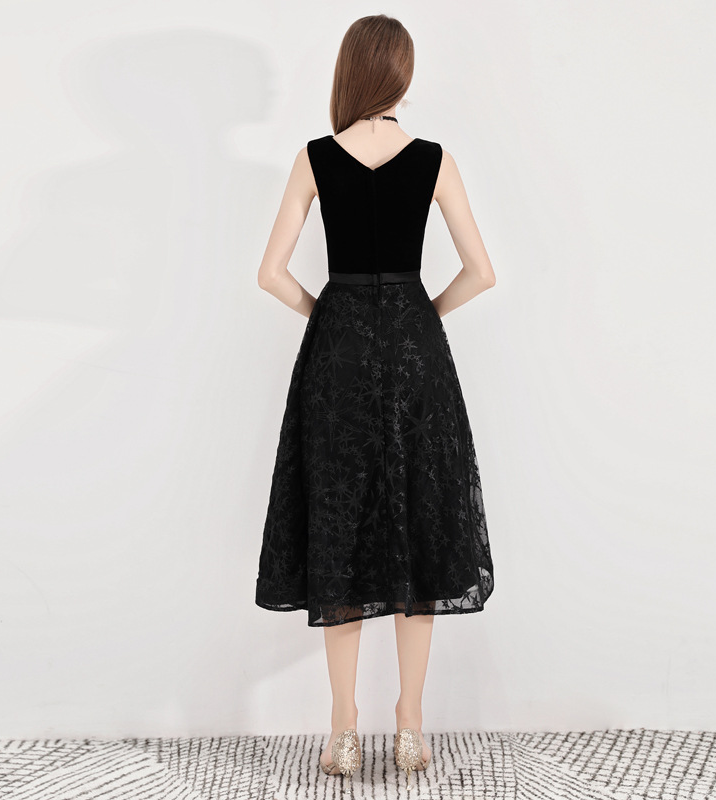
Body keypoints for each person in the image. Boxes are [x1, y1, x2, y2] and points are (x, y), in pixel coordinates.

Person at [254, 13, 496, 794]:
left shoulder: (315, 158)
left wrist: (328, 317)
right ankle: (411, 729)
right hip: (416, 359)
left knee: (343, 531)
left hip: (340, 357)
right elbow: (481, 271)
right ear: (402, 75)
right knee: (418, 531)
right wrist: (421, 319)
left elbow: (270, 273)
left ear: (350, 71)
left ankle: (343, 732)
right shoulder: (434, 160)